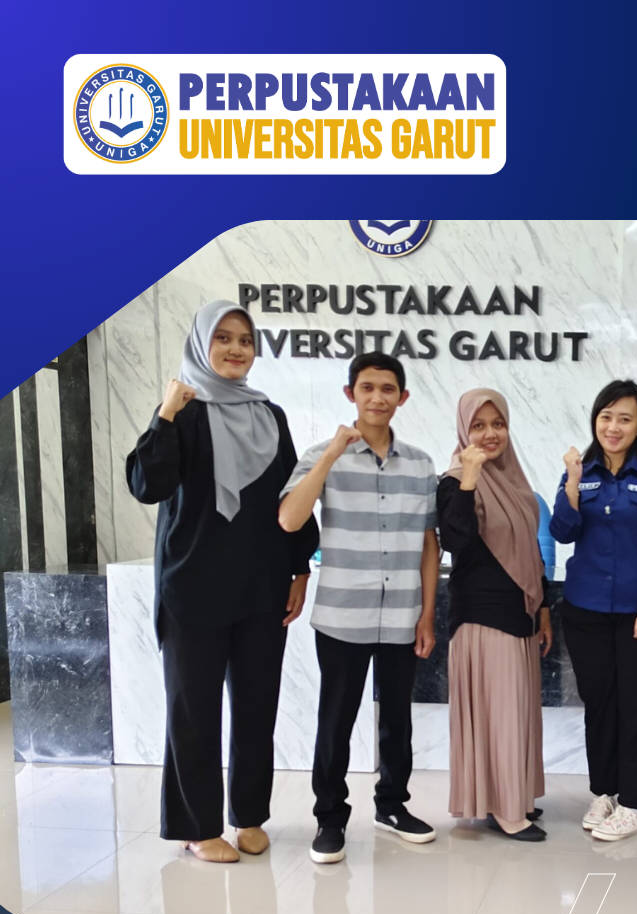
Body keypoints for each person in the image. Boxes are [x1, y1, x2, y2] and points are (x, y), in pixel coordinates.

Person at [126, 299, 318, 863]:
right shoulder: (181, 411)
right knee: (194, 712)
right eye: (224, 338)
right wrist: (164, 414)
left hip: (261, 584)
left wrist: (300, 567)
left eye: (245, 340)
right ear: (201, 343)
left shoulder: (270, 416)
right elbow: (147, 485)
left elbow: (291, 497)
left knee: (257, 708)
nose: (236, 349)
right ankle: (197, 826)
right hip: (193, 586)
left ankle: (249, 816)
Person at [279, 353, 440, 862]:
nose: (377, 398)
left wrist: (427, 614)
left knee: (397, 719)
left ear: (402, 397)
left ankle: (392, 806)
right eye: (367, 387)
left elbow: (429, 545)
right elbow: (289, 519)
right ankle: (329, 819)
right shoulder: (322, 454)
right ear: (351, 394)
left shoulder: (421, 464)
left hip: (403, 615)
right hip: (342, 615)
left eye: (388, 389)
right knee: (336, 720)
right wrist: (331, 453)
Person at [551, 380, 637, 841]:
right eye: (606, 417)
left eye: (625, 418)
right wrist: (571, 482)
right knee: (600, 705)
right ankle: (605, 791)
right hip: (586, 610)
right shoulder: (580, 473)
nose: (613, 426)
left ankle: (635, 802)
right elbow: (563, 531)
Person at [437, 388, 553, 841]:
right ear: (463, 430)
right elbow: (457, 542)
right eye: (479, 425)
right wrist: (469, 477)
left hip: (520, 613)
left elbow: (532, 554)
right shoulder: (453, 481)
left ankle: (511, 795)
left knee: (515, 713)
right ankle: (504, 810)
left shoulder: (517, 484)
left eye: (498, 424)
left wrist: (544, 608)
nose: (490, 434)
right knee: (500, 715)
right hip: (482, 617)